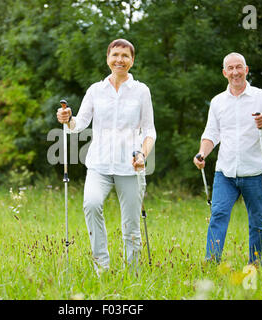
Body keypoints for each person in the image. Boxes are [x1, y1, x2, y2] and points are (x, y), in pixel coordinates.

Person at [56, 39, 156, 274]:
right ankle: (102, 268)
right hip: (99, 165)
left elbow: (150, 130)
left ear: (132, 60)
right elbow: (78, 124)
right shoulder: (95, 90)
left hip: (130, 167)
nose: (120, 59)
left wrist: (143, 154)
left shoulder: (141, 91)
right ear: (107, 58)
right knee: (91, 204)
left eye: (125, 55)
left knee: (131, 225)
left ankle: (133, 274)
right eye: (115, 55)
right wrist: (67, 119)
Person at [193, 52, 262, 265]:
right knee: (217, 216)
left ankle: (256, 265)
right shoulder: (217, 102)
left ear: (246, 70)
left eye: (239, 67)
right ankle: (211, 262)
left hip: (255, 172)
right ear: (224, 73)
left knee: (258, 223)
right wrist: (201, 153)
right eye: (230, 68)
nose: (235, 72)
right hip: (225, 173)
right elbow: (211, 134)